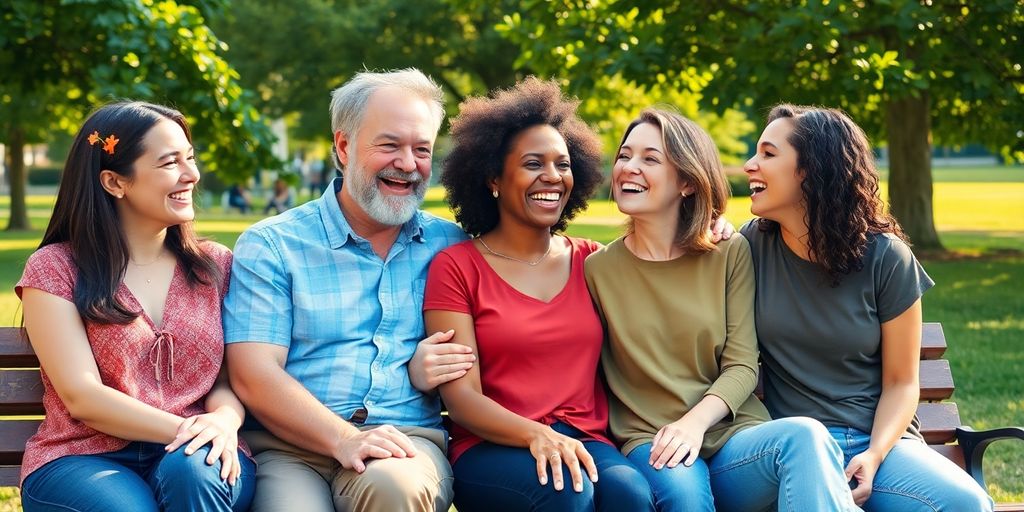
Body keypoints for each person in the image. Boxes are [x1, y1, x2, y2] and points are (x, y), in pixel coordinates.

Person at [585, 108, 859, 511]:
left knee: (805, 436)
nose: (629, 168)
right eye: (625, 155)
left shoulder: (729, 252)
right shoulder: (597, 269)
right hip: (654, 440)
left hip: (734, 438)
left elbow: (742, 366)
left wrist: (694, 425)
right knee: (684, 497)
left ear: (687, 183)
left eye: (650, 158)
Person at [223, 69, 468, 512]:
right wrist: (345, 438)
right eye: (389, 145)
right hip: (289, 447)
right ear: (343, 146)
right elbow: (253, 374)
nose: (408, 163)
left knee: (394, 488)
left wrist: (426, 369)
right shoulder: (274, 245)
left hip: (403, 441)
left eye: (422, 149)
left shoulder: (451, 245)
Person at [415, 78, 654, 512]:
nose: (552, 177)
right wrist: (536, 435)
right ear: (493, 179)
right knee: (567, 493)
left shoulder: (593, 260)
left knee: (631, 496)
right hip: (491, 446)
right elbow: (463, 400)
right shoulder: (457, 267)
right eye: (533, 164)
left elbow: (666, 264)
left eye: (563, 164)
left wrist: (715, 229)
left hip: (586, 439)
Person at [741, 105, 993, 511]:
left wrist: (874, 455)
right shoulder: (751, 246)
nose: (750, 165)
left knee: (966, 503)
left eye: (768, 154)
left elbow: (901, 382)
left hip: (879, 444)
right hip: (797, 446)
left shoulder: (887, 257)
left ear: (811, 169)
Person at [15, 101, 255, 512]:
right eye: (169, 163)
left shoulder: (214, 265)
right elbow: (83, 397)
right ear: (114, 182)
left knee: (194, 473)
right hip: (82, 457)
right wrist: (188, 430)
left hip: (195, 452)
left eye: (190, 158)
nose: (191, 175)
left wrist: (223, 422)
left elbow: (227, 382)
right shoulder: (55, 268)